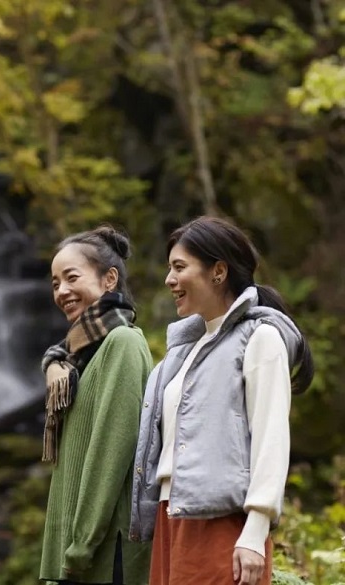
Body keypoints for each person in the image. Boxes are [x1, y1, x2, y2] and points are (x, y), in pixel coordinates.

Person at [130, 216, 314, 585]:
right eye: (169, 268)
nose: (169, 280)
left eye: (179, 267)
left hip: (223, 525)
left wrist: (255, 528)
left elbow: (271, 438)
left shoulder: (260, 338)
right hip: (172, 516)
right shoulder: (183, 353)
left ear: (218, 271)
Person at [40, 226, 152, 585]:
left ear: (109, 280)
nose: (62, 291)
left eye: (71, 278)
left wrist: (81, 546)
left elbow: (110, 453)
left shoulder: (122, 344)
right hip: (74, 553)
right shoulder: (75, 361)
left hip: (103, 556)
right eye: (55, 283)